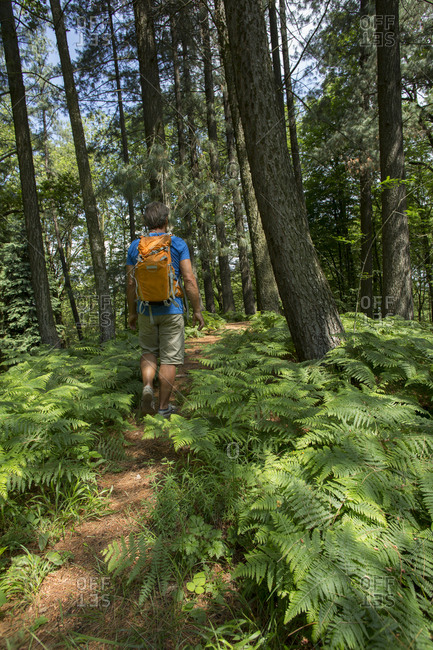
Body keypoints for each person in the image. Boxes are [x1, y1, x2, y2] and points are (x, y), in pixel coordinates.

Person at [126, 201, 205, 418]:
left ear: (146, 222)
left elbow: (131, 283)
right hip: (172, 309)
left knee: (148, 351)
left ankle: (148, 386)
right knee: (169, 359)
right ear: (166, 221)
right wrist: (197, 309)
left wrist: (132, 312)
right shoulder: (177, 244)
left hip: (145, 310)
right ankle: (162, 408)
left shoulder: (135, 247)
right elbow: (188, 278)